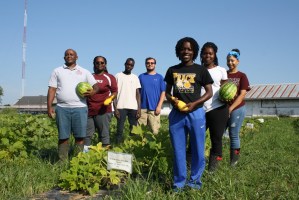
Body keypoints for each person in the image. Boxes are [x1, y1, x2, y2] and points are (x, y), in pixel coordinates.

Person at [164, 37, 213, 191]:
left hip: (196, 113)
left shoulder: (201, 70)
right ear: (178, 51)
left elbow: (209, 92)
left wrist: (196, 103)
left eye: (189, 49)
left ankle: (194, 183)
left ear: (194, 52)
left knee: (198, 149)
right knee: (179, 150)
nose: (186, 51)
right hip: (177, 114)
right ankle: (178, 184)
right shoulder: (172, 70)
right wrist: (172, 100)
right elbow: (166, 92)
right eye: (183, 49)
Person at [47, 49, 99, 161]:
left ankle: (77, 161)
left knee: (80, 137)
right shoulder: (57, 71)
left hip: (80, 108)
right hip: (62, 108)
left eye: (71, 54)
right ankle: (62, 161)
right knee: (63, 137)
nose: (69, 56)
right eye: (67, 54)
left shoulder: (84, 71)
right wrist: (49, 107)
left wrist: (92, 92)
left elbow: (96, 87)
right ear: (64, 57)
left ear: (76, 57)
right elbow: (52, 89)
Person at [200, 42, 229, 172]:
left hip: (218, 109)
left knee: (216, 139)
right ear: (201, 54)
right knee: (196, 138)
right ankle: (193, 167)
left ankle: (213, 170)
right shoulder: (197, 69)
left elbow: (226, 88)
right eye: (205, 53)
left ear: (215, 54)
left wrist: (227, 97)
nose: (208, 55)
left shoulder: (221, 70)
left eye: (210, 53)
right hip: (199, 110)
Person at [84, 56, 118, 149]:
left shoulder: (110, 77)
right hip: (89, 110)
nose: (100, 64)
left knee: (104, 135)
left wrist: (110, 98)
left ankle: (104, 157)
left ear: (105, 64)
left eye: (102, 63)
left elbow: (115, 92)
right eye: (97, 62)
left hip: (104, 110)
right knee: (87, 135)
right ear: (94, 64)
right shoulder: (89, 77)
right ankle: (85, 156)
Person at [226, 49, 250, 166]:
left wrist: (231, 108)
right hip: (224, 108)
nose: (230, 63)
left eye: (232, 60)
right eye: (228, 60)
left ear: (238, 61)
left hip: (237, 108)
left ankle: (233, 163)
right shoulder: (223, 74)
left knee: (233, 134)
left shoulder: (242, 76)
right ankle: (218, 159)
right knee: (218, 134)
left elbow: (242, 94)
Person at [114, 58, 141, 144]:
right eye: (128, 64)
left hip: (133, 107)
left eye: (131, 65)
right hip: (120, 107)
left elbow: (137, 94)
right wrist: (115, 108)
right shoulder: (118, 75)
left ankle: (131, 147)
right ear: (124, 64)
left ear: (133, 66)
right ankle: (118, 146)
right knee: (119, 130)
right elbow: (114, 93)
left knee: (133, 130)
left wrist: (139, 109)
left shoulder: (135, 77)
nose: (129, 66)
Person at [138, 57, 166, 134]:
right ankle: (141, 146)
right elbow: (137, 93)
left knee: (154, 132)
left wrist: (159, 106)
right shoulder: (141, 77)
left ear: (155, 65)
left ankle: (153, 146)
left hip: (154, 109)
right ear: (145, 64)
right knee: (141, 133)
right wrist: (138, 107)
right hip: (142, 109)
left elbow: (163, 93)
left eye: (152, 63)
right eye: (148, 63)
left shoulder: (160, 77)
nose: (150, 64)